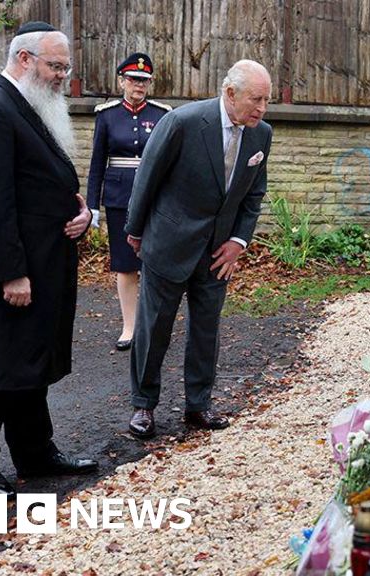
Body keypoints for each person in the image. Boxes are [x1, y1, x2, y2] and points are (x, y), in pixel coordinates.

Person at [0, 21, 98, 496]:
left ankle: (34, 452)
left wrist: (82, 213)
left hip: (43, 261)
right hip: (6, 268)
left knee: (29, 360)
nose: (63, 76)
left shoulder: (31, 105)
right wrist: (12, 272)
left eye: (65, 67)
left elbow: (43, 181)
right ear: (24, 59)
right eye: (56, 66)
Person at [125, 60, 272, 438]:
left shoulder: (261, 135)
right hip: (168, 243)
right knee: (154, 328)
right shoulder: (184, 122)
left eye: (267, 100)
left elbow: (253, 195)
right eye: (256, 99)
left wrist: (238, 242)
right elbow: (147, 177)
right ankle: (144, 406)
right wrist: (135, 230)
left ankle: (198, 406)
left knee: (206, 330)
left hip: (217, 253)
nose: (262, 108)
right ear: (230, 93)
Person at [86, 53, 171, 351]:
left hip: (154, 199)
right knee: (125, 264)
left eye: (144, 80)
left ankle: (153, 326)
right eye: (134, 80)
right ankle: (130, 327)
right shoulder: (107, 115)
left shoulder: (162, 115)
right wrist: (92, 205)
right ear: (122, 81)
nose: (139, 85)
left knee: (154, 263)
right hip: (119, 198)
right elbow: (97, 163)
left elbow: (170, 163)